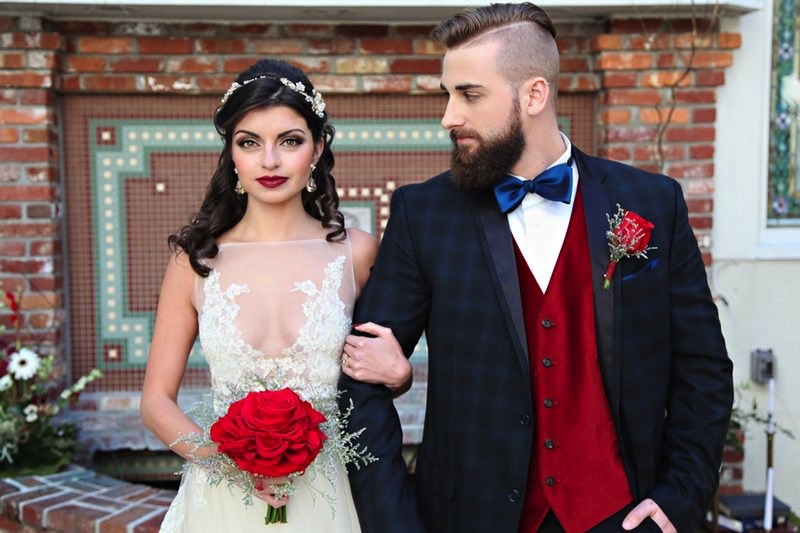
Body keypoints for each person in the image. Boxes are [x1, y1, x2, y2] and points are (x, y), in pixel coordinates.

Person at [339, 3, 734, 532]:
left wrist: (681, 496)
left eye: (469, 95)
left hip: (621, 513)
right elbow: (358, 380)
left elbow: (702, 369)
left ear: (534, 94)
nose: (448, 116)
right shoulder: (424, 213)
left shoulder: (652, 203)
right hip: (470, 517)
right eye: (447, 94)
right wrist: (395, 520)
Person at [140, 58, 411, 533]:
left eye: (289, 141)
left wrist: (401, 374)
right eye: (250, 143)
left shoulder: (358, 252)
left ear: (317, 147)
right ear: (231, 155)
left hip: (329, 496)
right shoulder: (195, 260)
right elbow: (156, 402)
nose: (269, 161)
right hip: (220, 499)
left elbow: (386, 371)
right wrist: (229, 463)